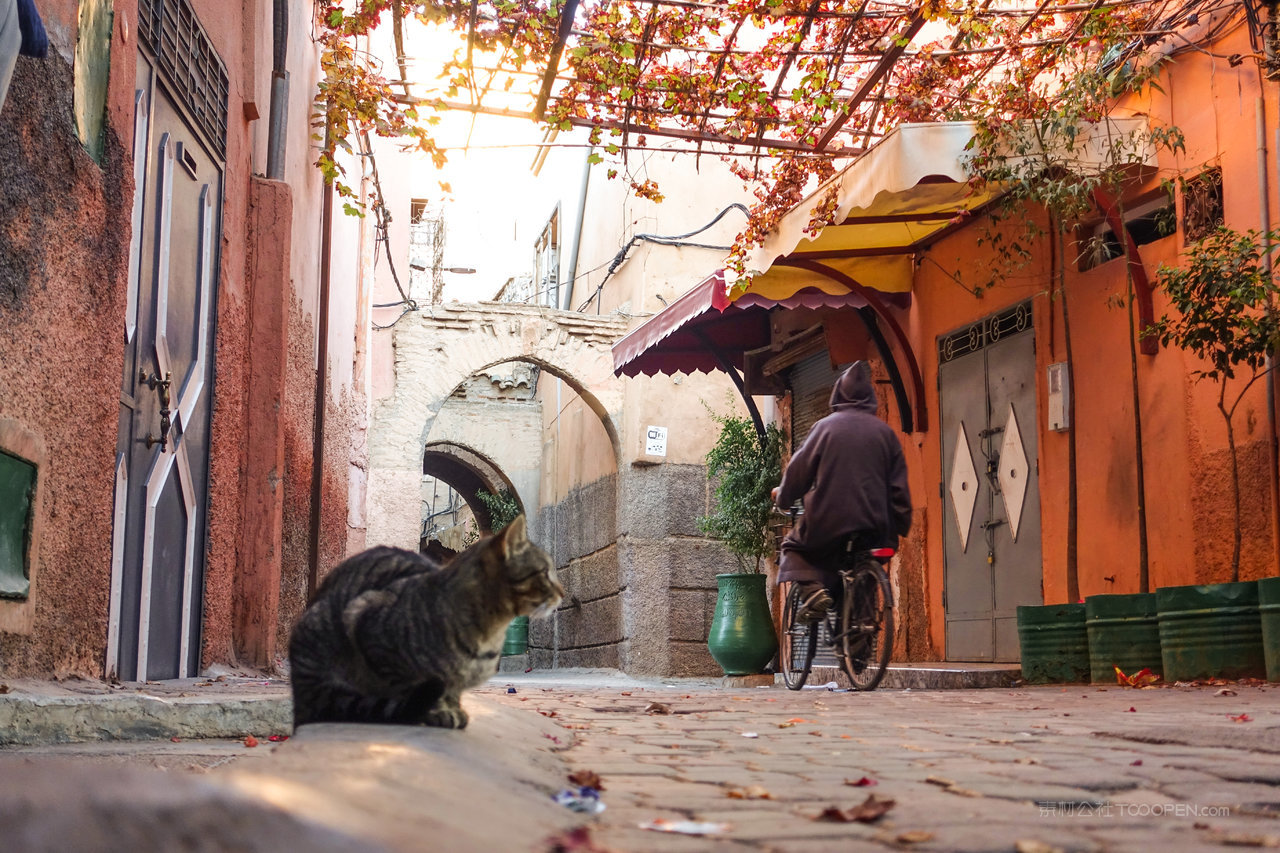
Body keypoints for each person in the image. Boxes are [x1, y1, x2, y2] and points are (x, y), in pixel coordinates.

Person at [773, 360, 912, 621]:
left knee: (793, 546)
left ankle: (813, 593)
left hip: (829, 522)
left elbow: (798, 472)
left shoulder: (825, 428)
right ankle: (857, 651)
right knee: (862, 564)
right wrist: (900, 524)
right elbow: (898, 485)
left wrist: (784, 497)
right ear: (870, 397)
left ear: (838, 394)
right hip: (877, 526)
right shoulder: (885, 433)